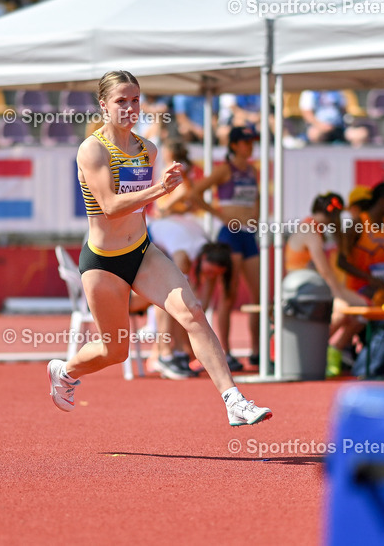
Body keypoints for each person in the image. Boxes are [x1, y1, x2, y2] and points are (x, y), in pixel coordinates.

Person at [48, 70, 272, 427]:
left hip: (141, 253)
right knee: (115, 351)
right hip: (103, 263)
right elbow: (110, 206)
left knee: (193, 311)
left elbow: (135, 208)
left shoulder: (147, 149)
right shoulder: (92, 149)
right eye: (121, 100)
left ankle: (234, 400)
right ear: (104, 105)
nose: (130, 107)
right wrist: (160, 190)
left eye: (135, 100)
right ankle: (65, 370)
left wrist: (162, 191)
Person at [190, 125, 262, 371]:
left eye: (252, 142)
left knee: (259, 297)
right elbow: (195, 193)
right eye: (246, 142)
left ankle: (256, 352)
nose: (250, 146)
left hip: (249, 234)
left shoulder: (252, 170)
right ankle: (227, 352)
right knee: (228, 296)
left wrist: (256, 216)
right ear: (233, 145)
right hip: (230, 235)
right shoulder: (224, 169)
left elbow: (256, 197)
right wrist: (219, 214)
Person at [147, 139, 218, 378]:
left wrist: (166, 208)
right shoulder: (188, 240)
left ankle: (171, 352)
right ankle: (168, 352)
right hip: (171, 237)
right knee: (173, 294)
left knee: (175, 294)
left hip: (171, 235)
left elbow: (186, 193)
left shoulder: (176, 170)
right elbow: (188, 196)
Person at [284, 192, 367, 375]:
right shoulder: (310, 230)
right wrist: (338, 295)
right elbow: (324, 271)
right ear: (335, 214)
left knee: (363, 309)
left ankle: (335, 349)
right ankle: (312, 346)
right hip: (304, 290)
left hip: (314, 288)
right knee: (345, 311)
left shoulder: (315, 229)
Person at [338, 182, 384, 302]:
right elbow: (341, 262)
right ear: (383, 200)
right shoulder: (357, 223)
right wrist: (369, 278)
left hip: (382, 293)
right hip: (359, 296)